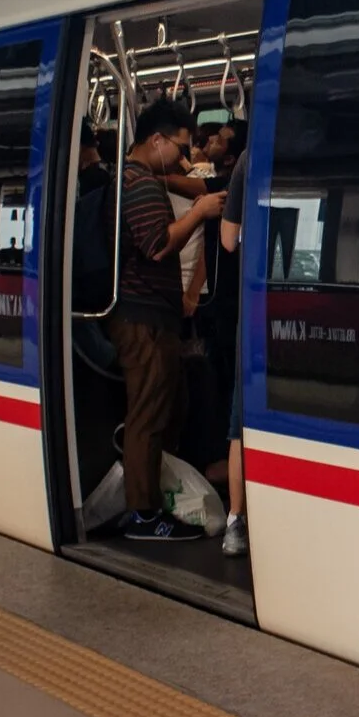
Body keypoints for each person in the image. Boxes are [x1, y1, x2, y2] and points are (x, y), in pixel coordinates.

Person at [112, 99, 225, 542]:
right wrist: (199, 213)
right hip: (143, 318)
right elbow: (157, 246)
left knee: (162, 408)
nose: (181, 159)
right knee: (149, 414)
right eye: (178, 148)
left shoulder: (131, 178)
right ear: (155, 140)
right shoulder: (140, 184)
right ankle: (142, 515)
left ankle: (153, 501)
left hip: (150, 315)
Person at [216, 150, 252, 558]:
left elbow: (228, 241)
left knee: (241, 422)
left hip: (257, 306)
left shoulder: (249, 156)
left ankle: (236, 520)